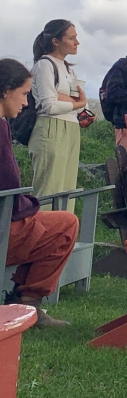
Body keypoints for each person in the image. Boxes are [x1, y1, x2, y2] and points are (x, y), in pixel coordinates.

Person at [0, 58, 78, 327]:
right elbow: (9, 186)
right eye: (23, 94)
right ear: (6, 90)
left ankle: (22, 304)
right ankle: (28, 305)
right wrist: (27, 206)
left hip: (7, 217)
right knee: (65, 225)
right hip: (4, 226)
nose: (25, 103)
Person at [28, 20, 87, 210]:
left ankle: (62, 235)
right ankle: (40, 236)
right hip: (50, 127)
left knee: (67, 189)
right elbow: (49, 105)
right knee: (48, 188)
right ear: (55, 41)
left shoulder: (69, 68)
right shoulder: (45, 65)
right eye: (71, 38)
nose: (76, 42)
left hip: (71, 127)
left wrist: (70, 101)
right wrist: (75, 102)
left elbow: (73, 105)